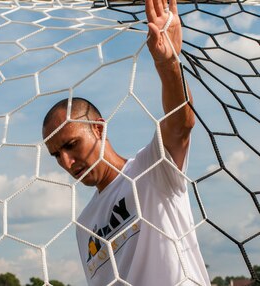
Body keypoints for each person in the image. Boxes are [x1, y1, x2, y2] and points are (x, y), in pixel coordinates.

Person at [41, 0, 211, 285]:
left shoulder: (151, 170)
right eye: (56, 155)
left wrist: (168, 62)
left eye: (70, 145)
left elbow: (180, 125)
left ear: (97, 129)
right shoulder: (84, 225)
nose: (66, 163)